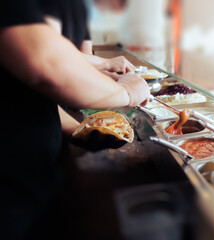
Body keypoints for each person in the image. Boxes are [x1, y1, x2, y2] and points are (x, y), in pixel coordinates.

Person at [0, 0, 150, 239]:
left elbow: (33, 96)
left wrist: (77, 129)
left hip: (36, 172)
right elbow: (45, 64)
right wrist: (128, 92)